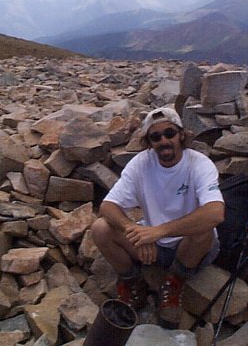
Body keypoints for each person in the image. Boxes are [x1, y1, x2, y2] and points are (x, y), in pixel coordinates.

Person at [91, 106, 225, 327]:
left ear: (181, 134)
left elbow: (215, 213)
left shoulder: (199, 164)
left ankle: (175, 282)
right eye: (155, 136)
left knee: (204, 228)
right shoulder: (141, 163)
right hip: (153, 244)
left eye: (169, 133)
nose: (164, 140)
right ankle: (133, 283)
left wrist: (157, 232)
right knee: (100, 228)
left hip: (190, 247)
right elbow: (108, 205)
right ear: (149, 142)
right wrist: (134, 232)